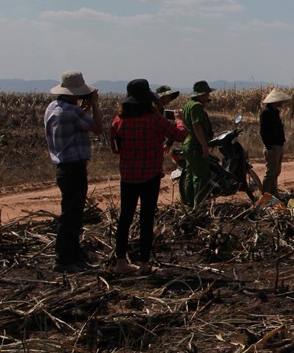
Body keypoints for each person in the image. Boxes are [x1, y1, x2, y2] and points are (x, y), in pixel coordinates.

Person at [110, 79, 187, 275]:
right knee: (146, 220)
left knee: (124, 218)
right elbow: (180, 135)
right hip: (150, 175)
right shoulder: (153, 119)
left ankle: (120, 263)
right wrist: (179, 120)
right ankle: (144, 264)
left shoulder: (118, 121)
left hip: (127, 176)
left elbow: (115, 149)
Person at [44, 70, 104, 272]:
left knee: (71, 212)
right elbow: (97, 128)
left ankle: (72, 256)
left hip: (62, 167)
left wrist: (83, 110)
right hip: (74, 167)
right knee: (72, 215)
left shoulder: (52, 107)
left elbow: (73, 125)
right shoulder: (73, 111)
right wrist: (94, 105)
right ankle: (64, 259)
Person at [181, 81, 215, 206]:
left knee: (190, 174)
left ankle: (189, 203)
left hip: (188, 144)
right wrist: (204, 146)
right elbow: (197, 126)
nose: (208, 96)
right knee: (201, 176)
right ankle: (199, 205)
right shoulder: (195, 106)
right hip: (195, 144)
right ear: (201, 94)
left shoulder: (188, 105)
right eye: (206, 94)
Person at [259, 88, 290, 196]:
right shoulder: (266, 113)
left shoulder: (275, 112)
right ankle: (265, 195)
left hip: (278, 145)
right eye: (280, 101)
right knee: (270, 173)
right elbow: (263, 132)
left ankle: (274, 193)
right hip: (272, 146)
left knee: (276, 172)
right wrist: (269, 147)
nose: (282, 103)